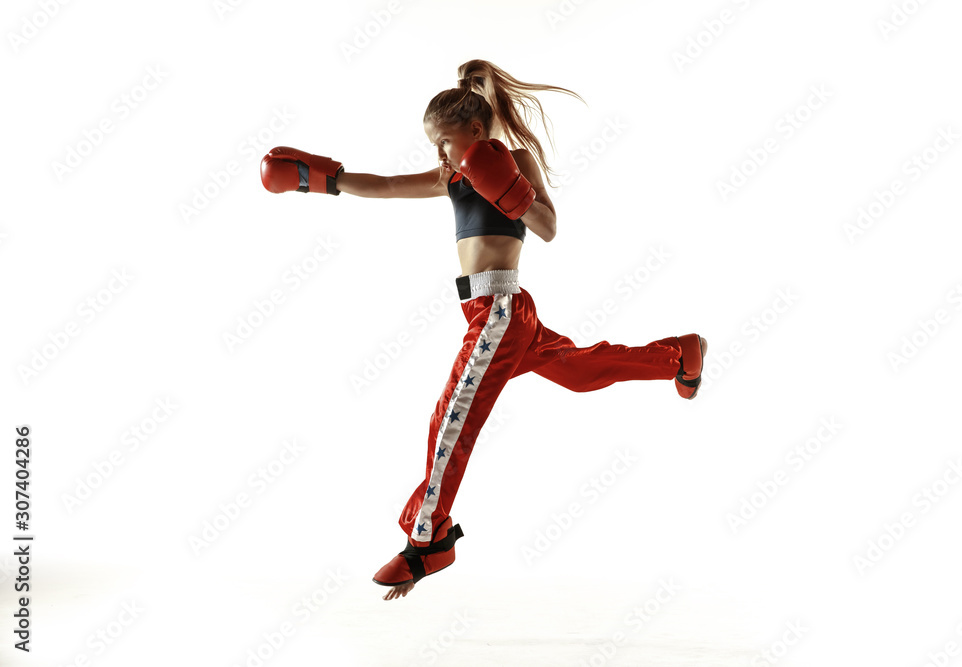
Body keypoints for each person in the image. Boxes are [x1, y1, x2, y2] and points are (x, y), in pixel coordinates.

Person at [260, 59, 707, 601]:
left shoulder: (512, 161)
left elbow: (548, 227)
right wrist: (316, 178)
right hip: (494, 312)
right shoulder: (452, 174)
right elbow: (382, 185)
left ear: (474, 130)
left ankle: (428, 539)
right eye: (434, 145)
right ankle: (677, 356)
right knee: (581, 374)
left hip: (499, 309)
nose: (439, 154)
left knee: (450, 419)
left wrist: (508, 188)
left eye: (445, 142)